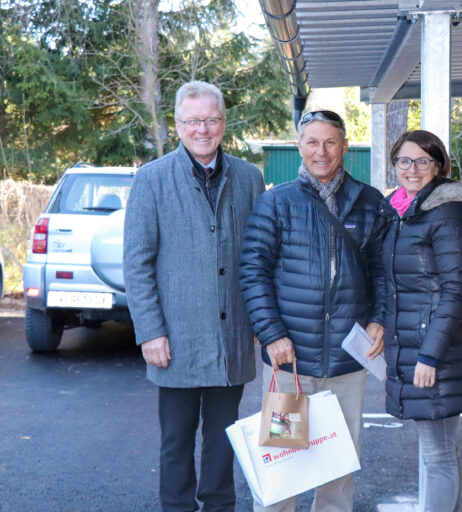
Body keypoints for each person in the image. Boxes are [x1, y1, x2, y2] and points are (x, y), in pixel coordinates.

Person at [123, 80, 265, 512]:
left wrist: (263, 324)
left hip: (232, 340)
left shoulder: (249, 177)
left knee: (225, 442)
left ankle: (220, 507)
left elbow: (259, 258)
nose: (202, 129)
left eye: (211, 119)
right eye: (192, 121)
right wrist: (151, 332)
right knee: (176, 443)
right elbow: (137, 264)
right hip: (175, 340)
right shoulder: (151, 179)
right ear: (179, 125)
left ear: (223, 122)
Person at [239, 110, 387, 512]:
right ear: (300, 146)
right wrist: (271, 333)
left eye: (330, 142)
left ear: (344, 147)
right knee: (283, 465)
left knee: (337, 470)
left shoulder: (370, 203)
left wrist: (379, 320)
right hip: (290, 365)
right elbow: (252, 271)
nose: (321, 151)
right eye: (312, 142)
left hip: (347, 363)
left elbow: (385, 272)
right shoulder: (276, 202)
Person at [379, 129, 462, 512]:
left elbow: (456, 292)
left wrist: (429, 357)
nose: (412, 168)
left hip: (437, 351)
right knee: (442, 448)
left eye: (423, 161)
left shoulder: (447, 213)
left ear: (438, 167)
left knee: (437, 455)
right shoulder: (402, 211)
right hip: (418, 346)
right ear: (395, 164)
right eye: (404, 160)